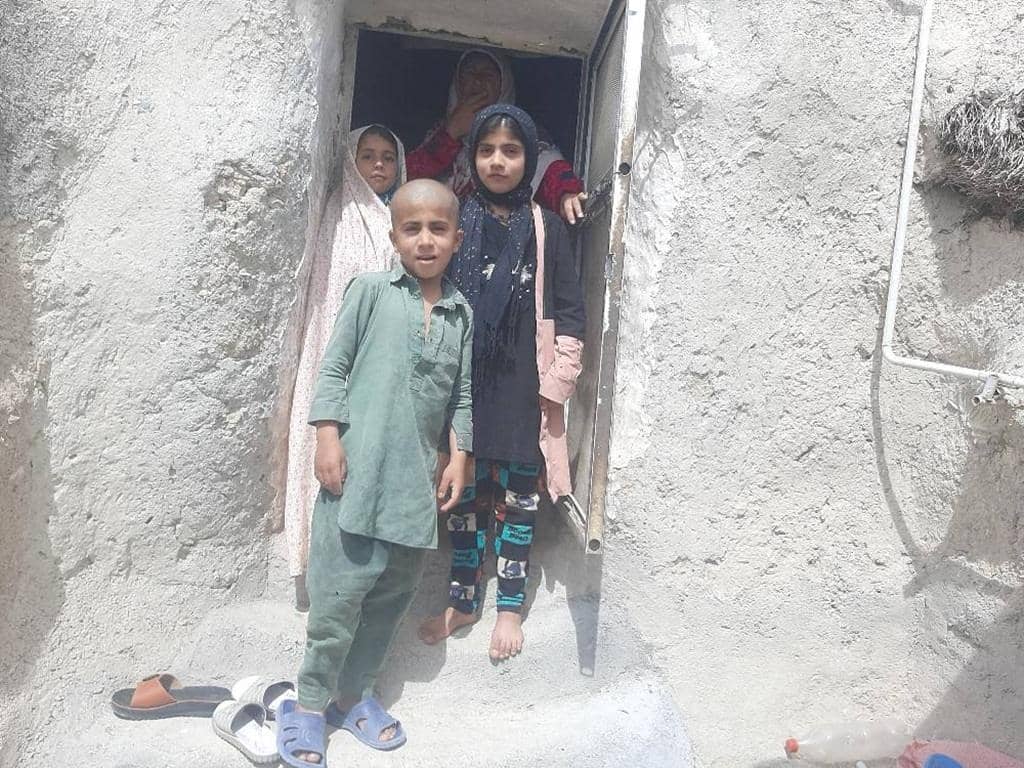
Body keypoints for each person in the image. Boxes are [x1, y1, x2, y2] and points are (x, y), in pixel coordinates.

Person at [275, 179, 473, 768]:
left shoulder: (462, 315)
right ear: (394, 238)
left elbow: (461, 395)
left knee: (388, 604)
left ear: (457, 239)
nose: (426, 240)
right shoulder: (368, 291)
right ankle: (308, 705)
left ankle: (350, 696)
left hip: (414, 490)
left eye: (438, 228)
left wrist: (460, 454)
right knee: (336, 602)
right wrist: (327, 437)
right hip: (355, 478)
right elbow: (333, 368)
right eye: (412, 228)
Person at [417, 105, 585, 661]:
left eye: (511, 151)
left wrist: (558, 382)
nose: (497, 161)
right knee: (460, 496)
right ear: (473, 155)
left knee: (519, 501)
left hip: (523, 387)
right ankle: (463, 598)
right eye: (486, 149)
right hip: (465, 386)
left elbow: (568, 308)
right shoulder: (456, 223)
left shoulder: (549, 229)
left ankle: (509, 605)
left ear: (529, 158)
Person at [284, 125, 406, 610]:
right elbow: (331, 294)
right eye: (367, 156)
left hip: (384, 366)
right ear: (349, 161)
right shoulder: (337, 215)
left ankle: (363, 575)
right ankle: (323, 574)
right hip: (339, 358)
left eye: (388, 157)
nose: (378, 166)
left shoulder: (403, 219)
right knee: (333, 462)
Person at [405, 48, 589, 224]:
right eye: (470, 73)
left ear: (503, 85)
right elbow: (404, 178)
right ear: (458, 83)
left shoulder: (524, 135)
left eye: (488, 75)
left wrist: (566, 194)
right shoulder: (439, 132)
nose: (477, 82)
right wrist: (451, 132)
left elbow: (551, 169)